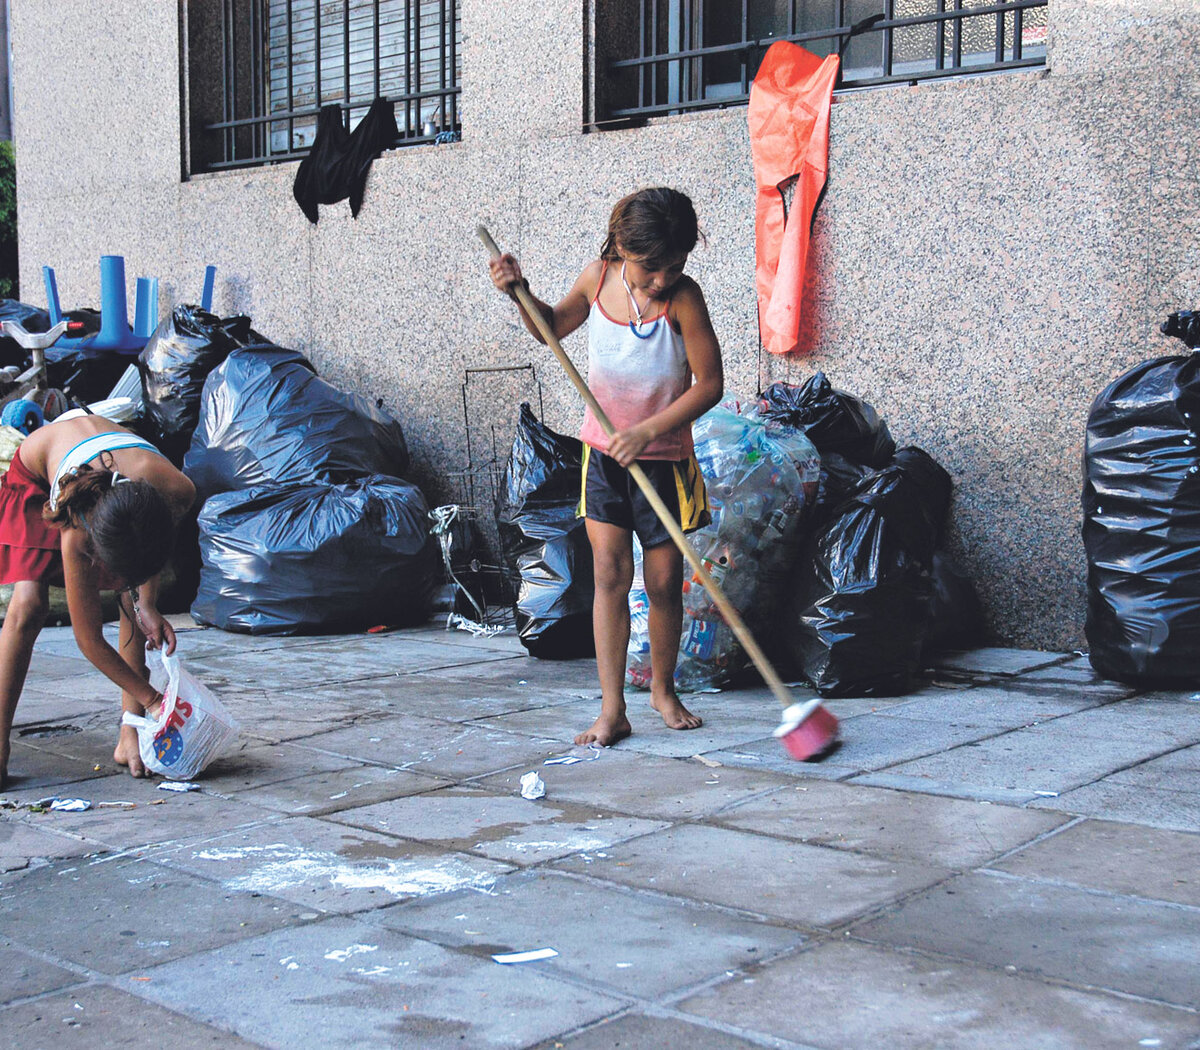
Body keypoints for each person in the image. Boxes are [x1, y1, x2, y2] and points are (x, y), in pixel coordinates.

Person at [489, 187, 724, 746]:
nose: (663, 278)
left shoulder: (683, 300)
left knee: (665, 581)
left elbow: (710, 384)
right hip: (604, 460)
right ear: (621, 245)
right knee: (611, 576)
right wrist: (519, 293)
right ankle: (613, 709)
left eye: (676, 265)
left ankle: (664, 690)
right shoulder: (597, 279)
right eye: (652, 267)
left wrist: (648, 429)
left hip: (664, 462)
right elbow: (550, 327)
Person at [0, 414, 196, 787]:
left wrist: (148, 605)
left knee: (132, 604)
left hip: (115, 475)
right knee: (28, 605)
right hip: (40, 471)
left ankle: (130, 735)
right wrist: (155, 700)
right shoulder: (76, 527)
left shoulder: (177, 490)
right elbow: (88, 640)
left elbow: (145, 558)